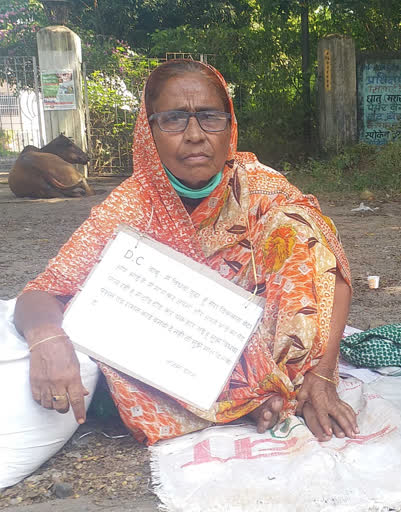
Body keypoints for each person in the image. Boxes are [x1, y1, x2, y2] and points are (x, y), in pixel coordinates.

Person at [4, 59, 358, 486]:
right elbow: (42, 292)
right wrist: (48, 340)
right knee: (101, 346)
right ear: (149, 130)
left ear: (230, 125)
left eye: (209, 117)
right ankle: (248, 399)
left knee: (301, 227)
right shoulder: (131, 205)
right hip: (177, 354)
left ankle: (285, 388)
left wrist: (322, 373)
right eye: (174, 119)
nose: (194, 135)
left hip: (263, 345)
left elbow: (330, 268)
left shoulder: (260, 186)